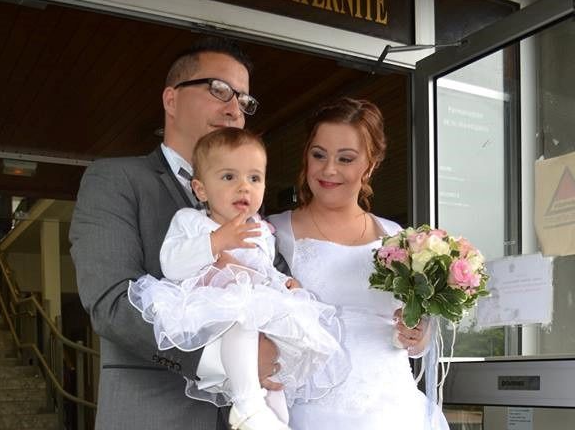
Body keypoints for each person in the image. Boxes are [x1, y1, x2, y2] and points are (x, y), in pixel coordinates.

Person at [69, 36, 282, 430]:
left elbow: (271, 280)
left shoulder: (245, 196)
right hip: (153, 416)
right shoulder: (115, 179)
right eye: (220, 90)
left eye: (245, 101)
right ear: (171, 100)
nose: (235, 109)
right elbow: (111, 303)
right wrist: (220, 360)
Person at [127, 127, 347, 430]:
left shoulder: (258, 228)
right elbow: (172, 265)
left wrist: (283, 283)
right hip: (212, 311)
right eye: (229, 177)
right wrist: (215, 242)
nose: (244, 187)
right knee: (242, 314)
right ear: (201, 189)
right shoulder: (191, 221)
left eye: (254, 178)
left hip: (254, 311)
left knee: (288, 339)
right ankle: (246, 404)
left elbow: (265, 268)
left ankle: (272, 412)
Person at [269, 97, 450, 429]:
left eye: (346, 158)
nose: (329, 170)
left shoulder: (396, 236)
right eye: (318, 155)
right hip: (313, 410)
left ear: (371, 164)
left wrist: (417, 334)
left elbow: (417, 338)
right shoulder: (274, 231)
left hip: (395, 410)